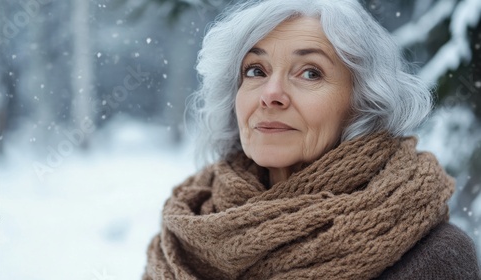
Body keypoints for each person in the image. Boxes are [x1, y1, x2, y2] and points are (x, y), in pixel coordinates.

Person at [144, 0, 481, 279]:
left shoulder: (433, 259)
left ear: (361, 104)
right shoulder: (185, 236)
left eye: (310, 72)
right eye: (255, 71)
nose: (271, 94)